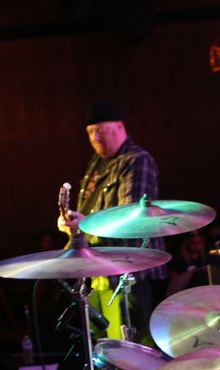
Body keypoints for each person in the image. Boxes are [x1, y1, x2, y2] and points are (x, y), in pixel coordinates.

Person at [56, 100, 167, 340]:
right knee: (104, 346)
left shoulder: (136, 160)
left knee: (132, 348)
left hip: (127, 274)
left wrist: (86, 223)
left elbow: (132, 220)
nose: (94, 137)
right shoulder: (98, 162)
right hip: (98, 273)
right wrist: (72, 224)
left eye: (99, 130)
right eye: (89, 132)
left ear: (119, 126)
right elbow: (89, 211)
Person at [166, 231, 209, 296]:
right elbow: (173, 283)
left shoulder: (205, 258)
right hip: (185, 293)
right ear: (186, 243)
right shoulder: (178, 258)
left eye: (199, 242)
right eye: (192, 243)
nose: (196, 246)